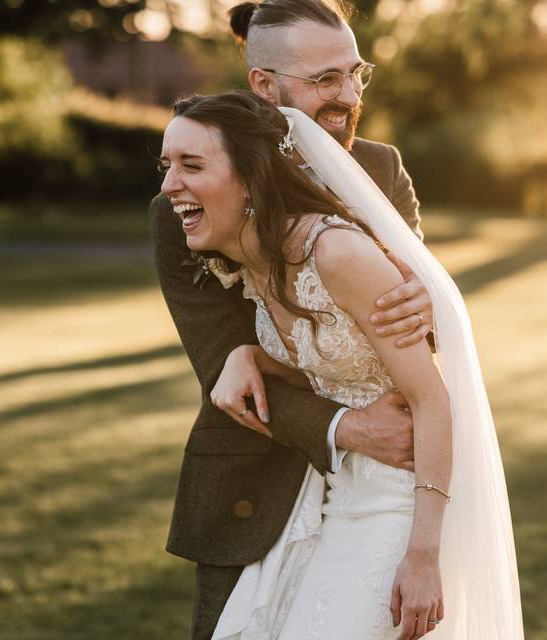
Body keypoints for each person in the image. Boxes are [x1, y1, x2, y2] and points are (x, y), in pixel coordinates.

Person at [158, 91, 522, 638]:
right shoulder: (251, 264)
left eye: (192, 164)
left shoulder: (338, 255)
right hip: (336, 501)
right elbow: (328, 364)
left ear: (250, 179)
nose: (168, 186)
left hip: (403, 508)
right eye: (166, 166)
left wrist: (423, 556)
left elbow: (433, 400)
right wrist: (250, 356)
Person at [149, 0, 435, 638]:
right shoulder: (186, 200)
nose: (349, 95)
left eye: (356, 73)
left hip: (390, 491)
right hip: (260, 476)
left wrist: (429, 301)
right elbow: (223, 368)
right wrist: (349, 428)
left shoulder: (382, 170)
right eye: (327, 79)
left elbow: (423, 328)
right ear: (264, 84)